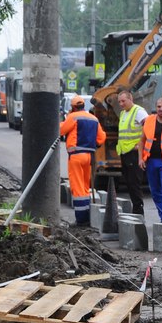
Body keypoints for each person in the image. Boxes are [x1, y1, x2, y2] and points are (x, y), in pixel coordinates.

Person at [59, 95, 105, 228]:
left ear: (73, 107)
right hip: (89, 157)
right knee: (85, 187)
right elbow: (102, 138)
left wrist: (64, 120)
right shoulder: (94, 118)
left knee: (77, 188)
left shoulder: (73, 117)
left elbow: (61, 130)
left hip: (76, 157)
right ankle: (87, 216)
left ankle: (81, 220)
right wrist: (94, 145)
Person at [114, 87, 148, 216]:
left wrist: (140, 145)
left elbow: (148, 126)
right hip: (125, 152)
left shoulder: (139, 111)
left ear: (130, 99)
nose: (121, 104)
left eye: (123, 101)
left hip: (134, 153)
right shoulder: (123, 113)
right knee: (129, 182)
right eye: (119, 102)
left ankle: (138, 212)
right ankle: (136, 211)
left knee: (134, 184)